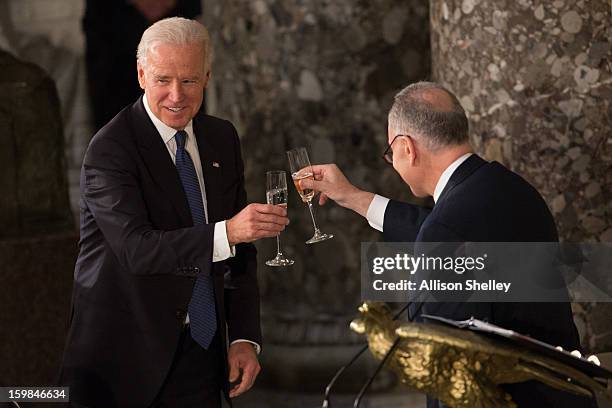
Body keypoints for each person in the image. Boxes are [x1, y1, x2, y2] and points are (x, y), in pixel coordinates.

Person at [300, 82, 595, 407]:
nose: (393, 162)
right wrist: (357, 199)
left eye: (390, 153)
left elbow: (449, 372)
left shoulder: (447, 226)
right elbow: (450, 238)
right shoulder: (513, 189)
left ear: (406, 148)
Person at [60, 17, 288, 407]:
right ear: (141, 75)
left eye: (189, 80)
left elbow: (241, 252)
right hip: (124, 362)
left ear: (208, 76)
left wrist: (244, 338)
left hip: (203, 354)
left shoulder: (221, 138)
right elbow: (136, 249)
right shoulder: (111, 149)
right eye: (163, 80)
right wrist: (228, 232)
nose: (176, 95)